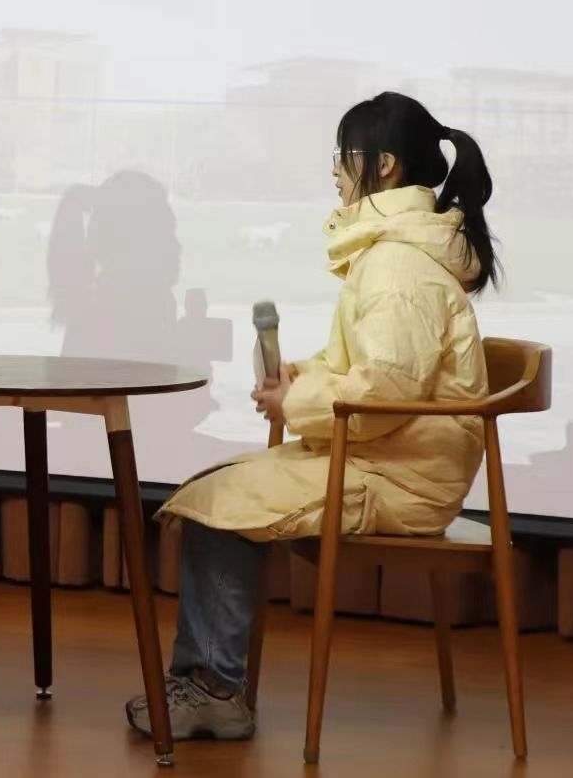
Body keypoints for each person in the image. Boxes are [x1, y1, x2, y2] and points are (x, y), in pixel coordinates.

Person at [125, 91, 500, 742]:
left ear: (383, 164)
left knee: (217, 506)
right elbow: (366, 367)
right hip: (388, 460)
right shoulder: (393, 254)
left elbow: (384, 392)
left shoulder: (397, 266)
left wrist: (293, 402)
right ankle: (210, 685)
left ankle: (214, 690)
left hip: (398, 475)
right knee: (217, 492)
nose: (333, 168)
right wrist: (299, 377)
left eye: (343, 153)